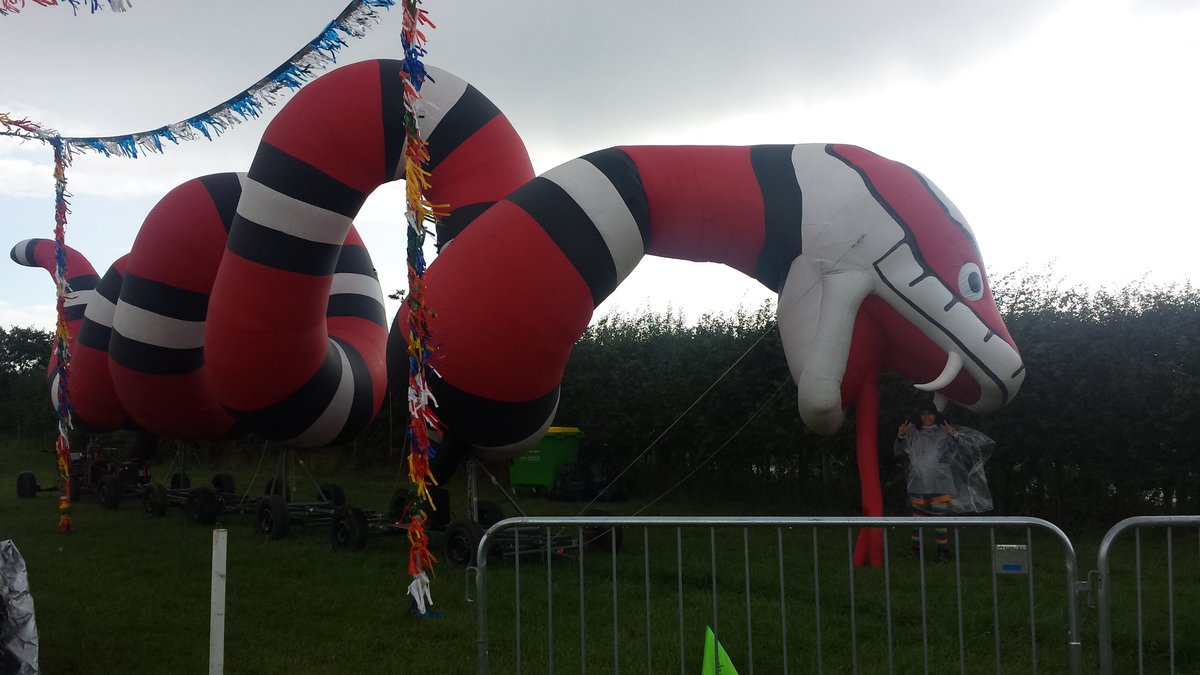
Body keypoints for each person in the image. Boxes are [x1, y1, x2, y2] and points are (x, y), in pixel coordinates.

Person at [894, 401, 993, 561]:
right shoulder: (913, 431)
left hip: (940, 484)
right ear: (919, 416)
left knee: (939, 521)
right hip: (918, 484)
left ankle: (942, 552)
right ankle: (915, 552)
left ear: (936, 415)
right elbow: (898, 452)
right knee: (917, 521)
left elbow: (968, 451)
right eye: (923, 414)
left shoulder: (944, 431)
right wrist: (901, 436)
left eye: (930, 413)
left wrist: (955, 436)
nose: (927, 417)